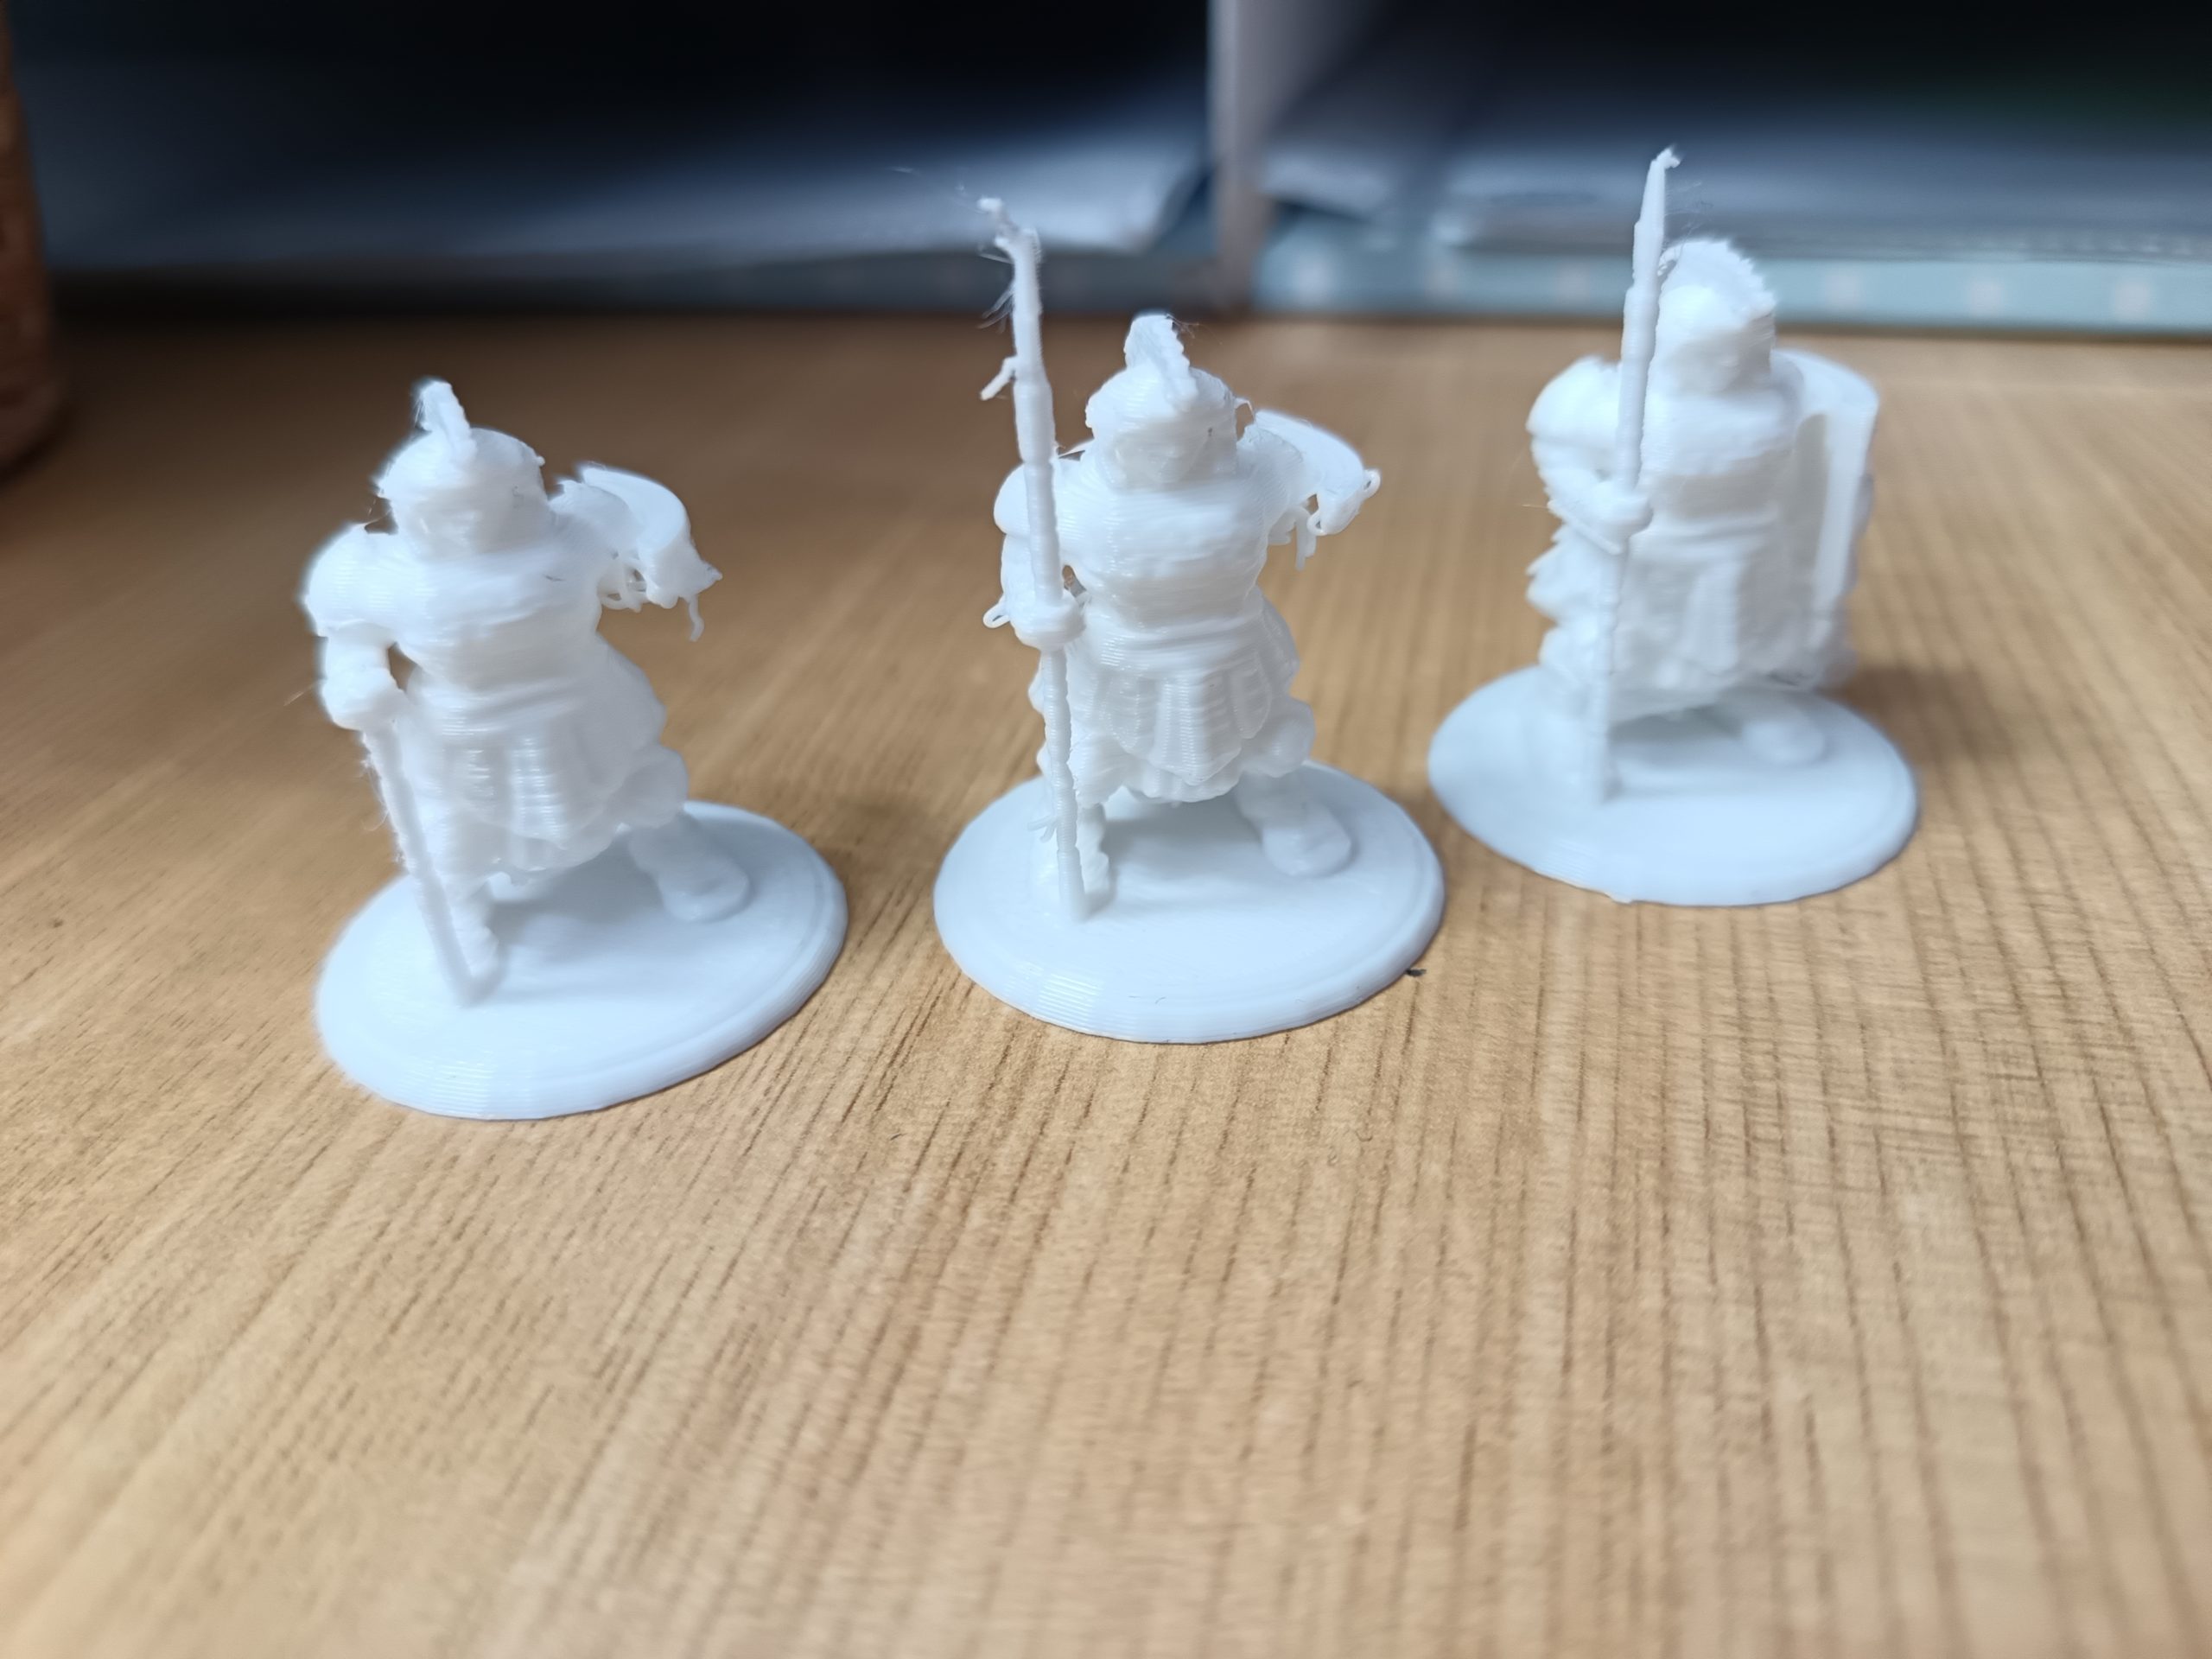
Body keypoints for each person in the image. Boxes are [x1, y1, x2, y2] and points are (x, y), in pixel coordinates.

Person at [303, 382, 747, 982]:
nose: (474, 519)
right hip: (463, 722)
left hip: (584, 694)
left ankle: (676, 851)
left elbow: (639, 564)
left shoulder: (578, 533)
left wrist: (661, 569)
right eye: (453, 508)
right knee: (451, 828)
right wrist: (355, 682)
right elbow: (352, 638)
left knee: (640, 780)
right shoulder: (381, 574)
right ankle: (459, 909)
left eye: (492, 499)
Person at [989, 315, 1376, 892]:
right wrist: (1031, 607)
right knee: (1086, 760)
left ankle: (1280, 805)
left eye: (1192, 436)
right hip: (1119, 655)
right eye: (1156, 442)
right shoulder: (1071, 499)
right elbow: (1026, 553)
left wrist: (1340, 493)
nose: (1175, 454)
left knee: (1273, 741)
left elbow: (1311, 455)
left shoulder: (1251, 478)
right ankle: (1071, 830)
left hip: (1233, 645)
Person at [1526, 239, 1866, 766]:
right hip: (1650, 552)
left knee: (1746, 647)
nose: (1727, 364)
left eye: (1737, 351)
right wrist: (1596, 502)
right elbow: (1560, 453)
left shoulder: (1778, 393)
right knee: (1617, 653)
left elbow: (1810, 463)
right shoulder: (1621, 404)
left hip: (1749, 547)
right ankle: (1572, 714)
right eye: (1711, 353)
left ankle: (1743, 698)